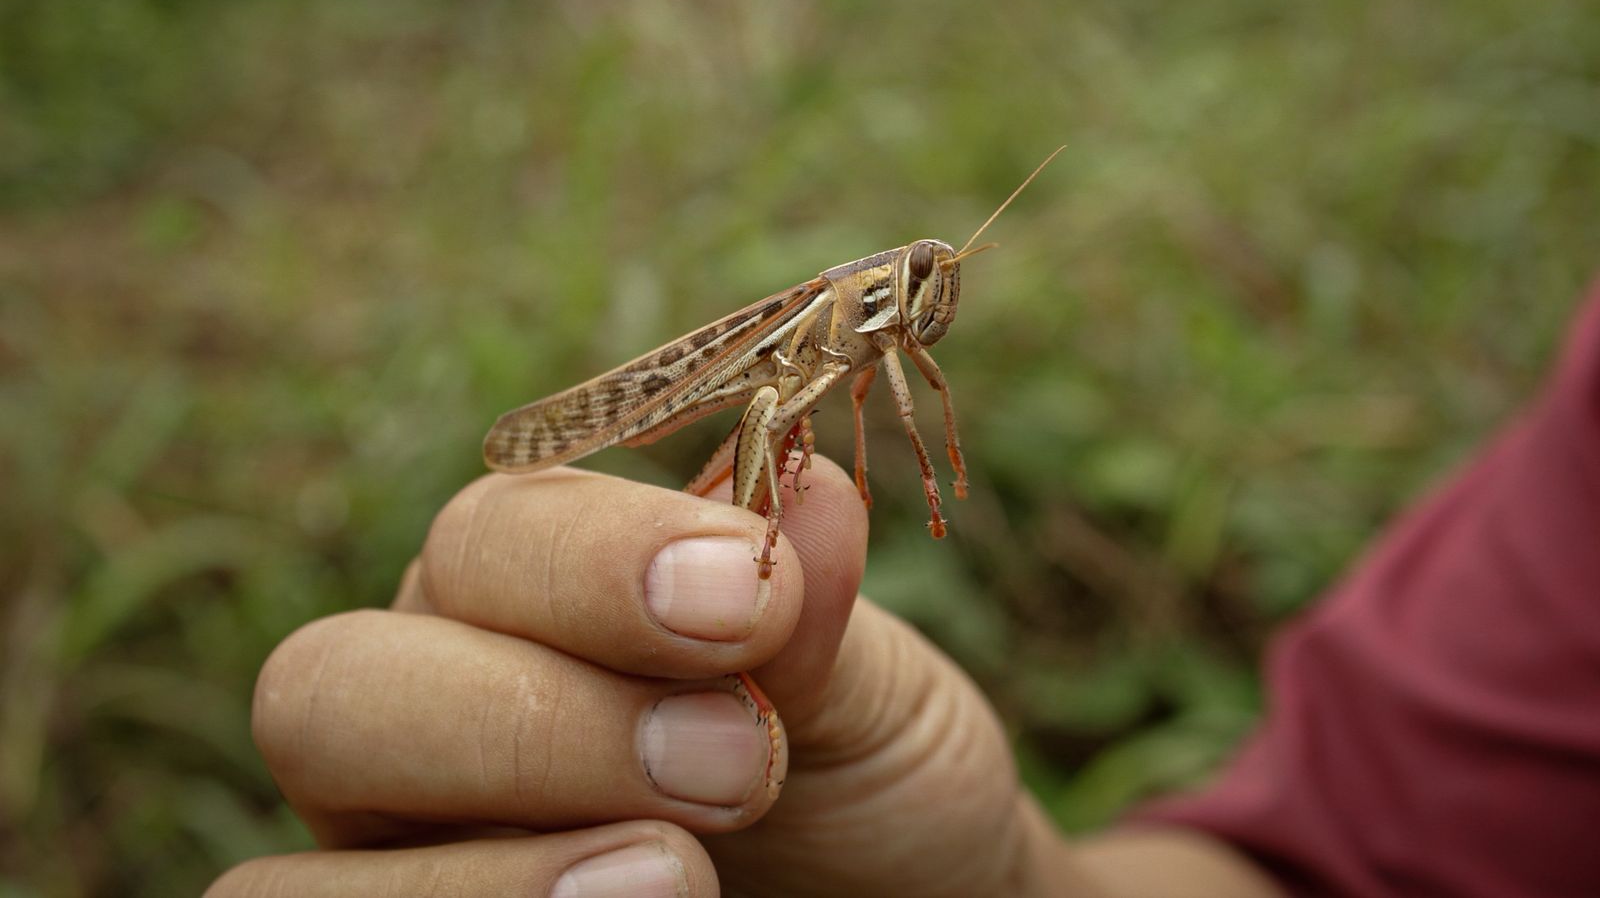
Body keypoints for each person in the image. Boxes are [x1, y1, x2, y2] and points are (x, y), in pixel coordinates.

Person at [207, 281, 1600, 898]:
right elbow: (1345, 865)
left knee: (790, 474)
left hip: (782, 413)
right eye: (924, 282)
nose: (933, 304)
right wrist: (996, 883)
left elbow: (898, 395)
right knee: (765, 455)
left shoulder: (896, 348)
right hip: (725, 378)